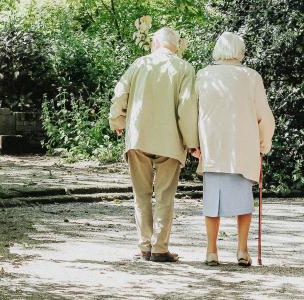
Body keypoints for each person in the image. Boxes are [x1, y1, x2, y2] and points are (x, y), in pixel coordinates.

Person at [108, 27, 199, 263]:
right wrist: (192, 143)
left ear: (155, 43)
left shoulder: (139, 64)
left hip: (139, 138)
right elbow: (187, 108)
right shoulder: (185, 68)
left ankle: (145, 246)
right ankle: (159, 248)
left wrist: (117, 120)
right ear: (176, 46)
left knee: (141, 195)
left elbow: (120, 94)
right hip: (170, 141)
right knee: (165, 196)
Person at [194, 32, 275, 267]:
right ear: (241, 51)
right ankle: (242, 250)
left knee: (212, 202)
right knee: (243, 201)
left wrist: (194, 144)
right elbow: (265, 116)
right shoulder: (251, 77)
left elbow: (193, 112)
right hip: (243, 148)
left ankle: (211, 251)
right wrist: (263, 144)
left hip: (213, 147)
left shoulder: (203, 75)